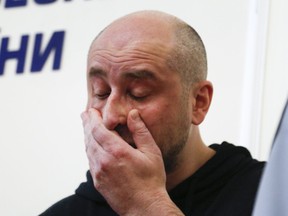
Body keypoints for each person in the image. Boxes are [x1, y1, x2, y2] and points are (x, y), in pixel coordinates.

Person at [40, 10, 265, 216]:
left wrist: (146, 204)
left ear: (198, 102)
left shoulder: (270, 195)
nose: (110, 116)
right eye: (101, 92)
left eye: (139, 93)